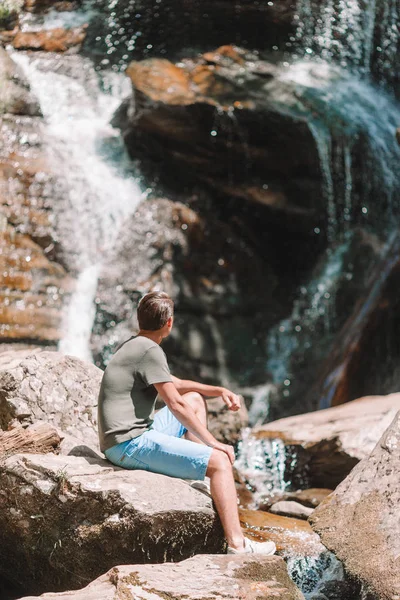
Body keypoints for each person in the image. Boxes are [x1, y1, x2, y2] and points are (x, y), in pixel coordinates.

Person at [98, 291, 276, 555]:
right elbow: (174, 404)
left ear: (140, 320)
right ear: (169, 323)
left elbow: (177, 386)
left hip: (127, 437)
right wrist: (213, 443)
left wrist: (216, 390)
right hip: (128, 445)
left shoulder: (136, 345)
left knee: (194, 398)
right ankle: (238, 545)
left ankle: (202, 480)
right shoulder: (150, 351)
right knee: (220, 462)